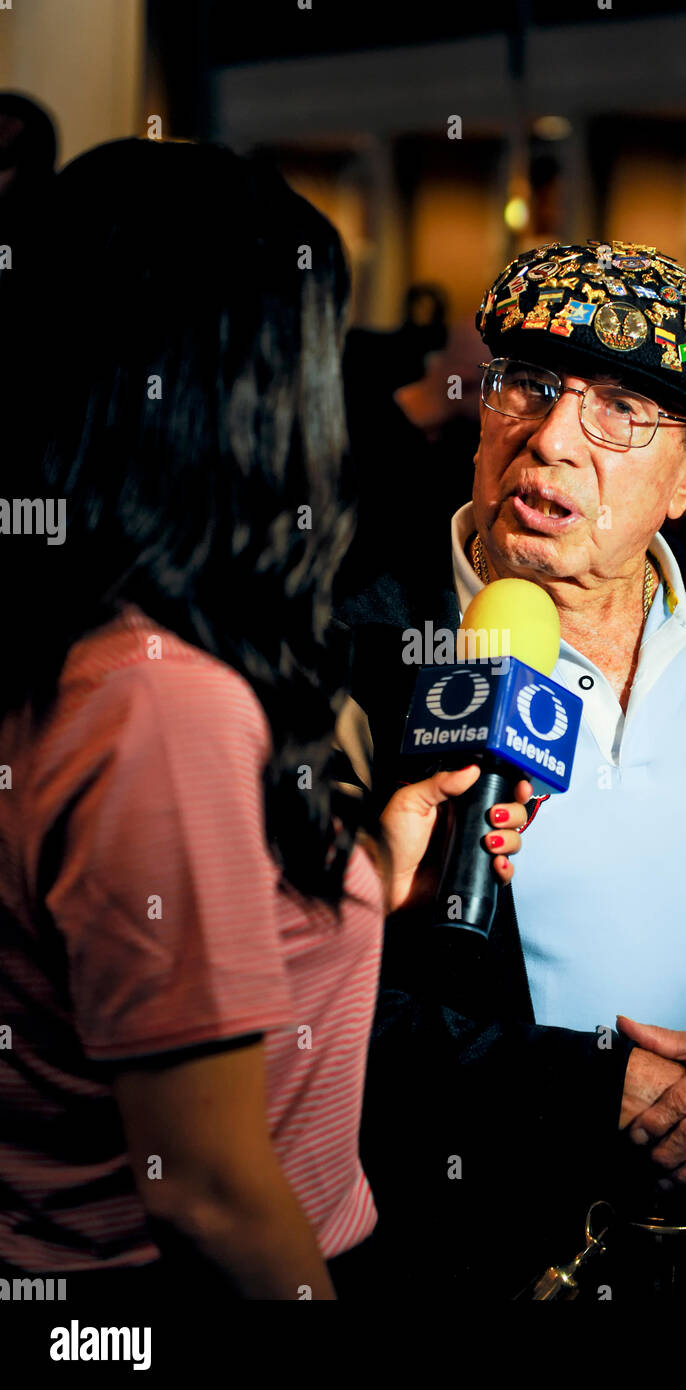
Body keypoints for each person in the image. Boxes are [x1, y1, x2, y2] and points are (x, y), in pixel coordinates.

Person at [0, 138, 526, 1300]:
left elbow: (177, 937)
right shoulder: (156, 699)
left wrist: (373, 859)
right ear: (235, 385)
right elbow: (209, 1186)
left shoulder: (103, 634)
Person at [333, 239, 686, 1299]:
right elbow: (298, 1005)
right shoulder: (357, 646)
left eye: (618, 412)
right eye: (529, 387)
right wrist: (592, 1090)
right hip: (468, 1257)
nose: (548, 439)